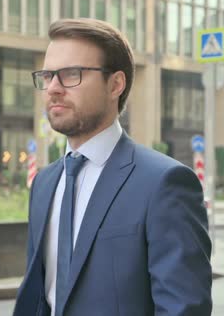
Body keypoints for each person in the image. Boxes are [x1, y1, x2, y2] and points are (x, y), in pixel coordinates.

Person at [13, 18, 212, 316]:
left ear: (115, 84)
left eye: (71, 74)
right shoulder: (44, 183)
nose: (53, 88)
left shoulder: (164, 184)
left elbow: (183, 309)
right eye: (47, 75)